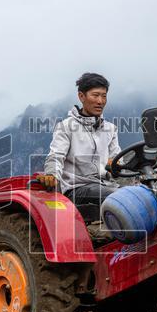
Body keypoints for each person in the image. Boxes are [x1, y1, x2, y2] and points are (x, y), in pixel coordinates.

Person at [39, 72, 120, 221]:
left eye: (104, 96)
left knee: (141, 193)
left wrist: (116, 164)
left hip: (105, 184)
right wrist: (51, 173)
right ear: (81, 96)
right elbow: (55, 155)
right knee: (120, 196)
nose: (100, 101)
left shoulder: (110, 129)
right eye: (95, 95)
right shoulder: (66, 127)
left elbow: (116, 158)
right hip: (77, 188)